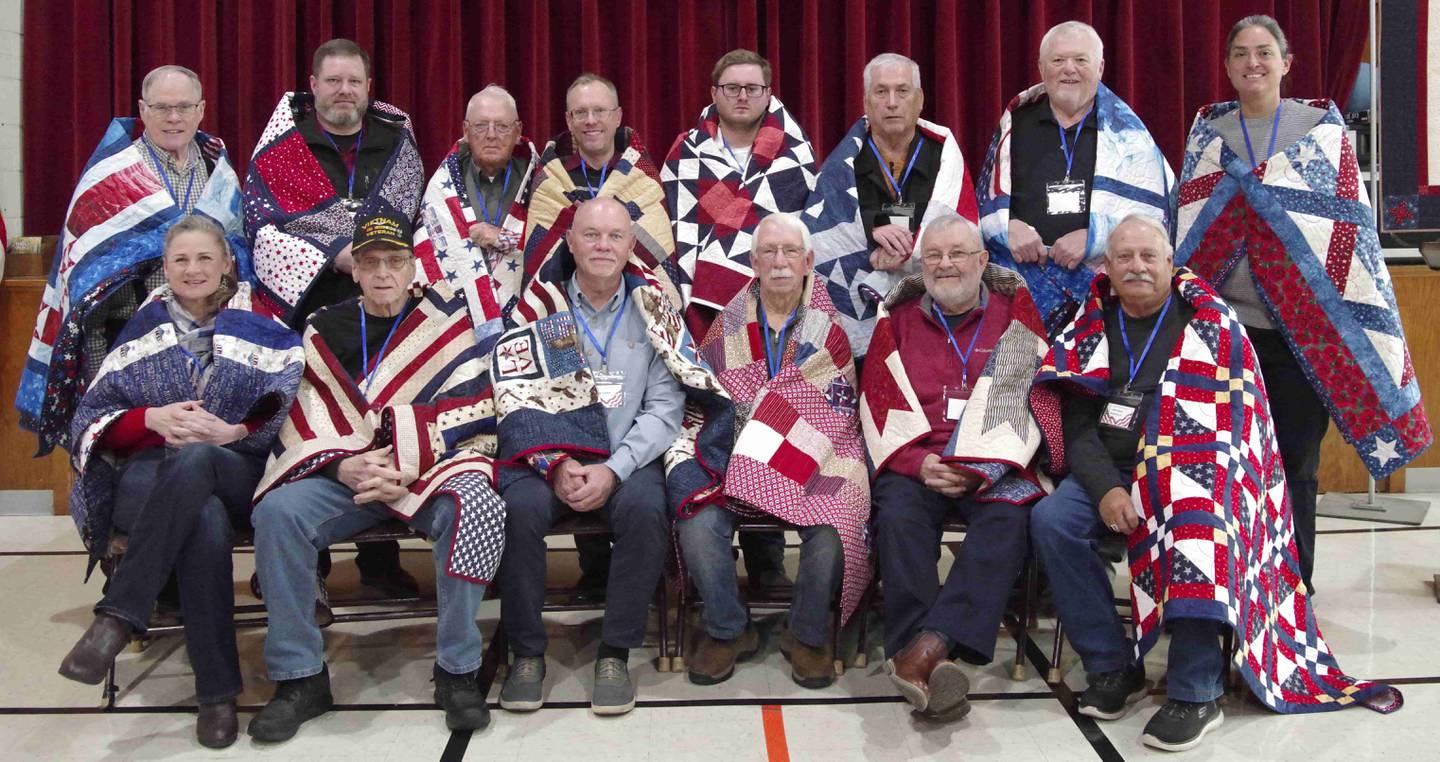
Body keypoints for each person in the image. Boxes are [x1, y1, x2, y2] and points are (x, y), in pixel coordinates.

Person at [1029, 215, 1402, 753]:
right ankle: (1112, 666)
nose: (1136, 266)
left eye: (1147, 257)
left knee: (1198, 527)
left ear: (1170, 264)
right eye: (1124, 258)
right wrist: (1109, 489)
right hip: (1111, 473)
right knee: (1051, 520)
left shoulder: (1210, 322)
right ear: (1105, 268)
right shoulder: (1089, 324)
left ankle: (1195, 690)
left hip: (1194, 473)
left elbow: (1237, 432)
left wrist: (1175, 485)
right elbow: (1079, 425)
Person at [1174, 14, 1431, 591]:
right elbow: (1186, 233)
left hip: (1303, 338)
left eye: (1264, 53)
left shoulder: (1321, 131)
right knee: (1222, 464)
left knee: (1297, 464)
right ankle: (1229, 585)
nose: (1252, 63)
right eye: (1240, 54)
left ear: (1286, 63)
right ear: (1227, 67)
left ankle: (1294, 587)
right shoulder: (1207, 136)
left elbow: (1348, 238)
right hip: (1225, 339)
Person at [246, 210, 506, 741]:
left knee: (474, 506)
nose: (383, 272)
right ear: (355, 272)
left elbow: (475, 409)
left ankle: (457, 671)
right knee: (278, 513)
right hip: (348, 472)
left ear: (413, 267)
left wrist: (405, 462)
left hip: (431, 468)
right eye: (370, 263)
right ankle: (301, 678)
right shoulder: (323, 326)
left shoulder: (447, 320)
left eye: (394, 260)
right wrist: (343, 464)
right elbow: (306, 415)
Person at [57, 215, 302, 749]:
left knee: (201, 465)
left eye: (204, 258)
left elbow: (290, 404)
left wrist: (236, 428)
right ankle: (216, 694)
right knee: (203, 515)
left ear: (227, 264)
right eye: (181, 260)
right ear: (165, 268)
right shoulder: (143, 328)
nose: (193, 270)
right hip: (154, 474)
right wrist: (150, 419)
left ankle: (118, 617)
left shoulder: (259, 320)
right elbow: (92, 423)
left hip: (240, 468)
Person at [491, 197, 730, 716]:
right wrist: (555, 465)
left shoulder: (654, 312)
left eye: (614, 237)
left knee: (647, 508)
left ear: (629, 246)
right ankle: (527, 653)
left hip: (625, 458)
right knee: (519, 510)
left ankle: (615, 653)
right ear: (571, 242)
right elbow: (518, 398)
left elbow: (666, 410)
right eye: (591, 236)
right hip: (548, 460)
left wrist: (615, 467)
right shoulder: (542, 309)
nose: (602, 246)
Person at [244, 37, 425, 595]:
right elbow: (262, 230)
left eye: (355, 82)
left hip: (383, 308)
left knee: (384, 416)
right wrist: (332, 254)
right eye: (334, 81)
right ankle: (306, 568)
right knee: (308, 426)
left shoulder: (397, 142)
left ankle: (379, 560)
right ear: (313, 86)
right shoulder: (282, 147)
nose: (344, 91)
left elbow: (416, 220)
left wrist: (373, 260)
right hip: (305, 309)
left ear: (369, 89)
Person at [860, 214, 1049, 719]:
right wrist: (917, 462)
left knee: (1011, 518)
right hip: (920, 457)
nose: (945, 265)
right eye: (935, 256)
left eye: (958, 253)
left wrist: (983, 466)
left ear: (983, 261)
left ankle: (923, 649)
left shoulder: (1016, 315)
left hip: (995, 462)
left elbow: (1033, 401)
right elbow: (877, 399)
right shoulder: (896, 318)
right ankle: (930, 655)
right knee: (898, 516)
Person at [17, 65, 250, 455]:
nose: (173, 118)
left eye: (183, 107)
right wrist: (100, 376)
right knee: (134, 460)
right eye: (161, 108)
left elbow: (240, 259)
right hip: (126, 338)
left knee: (202, 452)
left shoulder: (219, 173)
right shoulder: (112, 174)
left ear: (201, 109)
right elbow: (87, 282)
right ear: (142, 110)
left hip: (211, 340)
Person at [687, 213, 866, 689]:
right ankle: (729, 629)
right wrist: (750, 446)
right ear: (754, 261)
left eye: (790, 252)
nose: (780, 262)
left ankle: (805, 635)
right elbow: (705, 397)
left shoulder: (829, 330)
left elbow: (838, 413)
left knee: (835, 523)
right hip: (734, 455)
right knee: (697, 520)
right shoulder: (726, 324)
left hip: (814, 458)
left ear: (808, 261)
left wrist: (784, 437)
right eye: (769, 252)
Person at [522, 73, 682, 601]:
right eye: (579, 113)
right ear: (567, 123)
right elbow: (539, 257)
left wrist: (605, 239)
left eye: (600, 111)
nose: (590, 121)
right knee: (574, 421)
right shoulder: (549, 179)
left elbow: (656, 246)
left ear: (618, 117)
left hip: (628, 315)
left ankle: (636, 577)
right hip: (569, 316)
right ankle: (593, 570)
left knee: (629, 443)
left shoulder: (643, 177)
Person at [662, 48, 817, 592]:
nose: (743, 96)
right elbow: (676, 237)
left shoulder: (796, 151)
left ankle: (768, 557)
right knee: (714, 429)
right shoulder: (685, 151)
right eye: (732, 87)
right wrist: (687, 304)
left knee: (768, 421)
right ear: (714, 92)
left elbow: (798, 237)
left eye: (753, 87)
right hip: (704, 316)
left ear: (769, 93)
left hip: (773, 312)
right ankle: (709, 559)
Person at [977, 20, 1174, 332]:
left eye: (1081, 60)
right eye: (1058, 60)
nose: (1069, 69)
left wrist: (1095, 237)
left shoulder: (1128, 135)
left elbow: (1154, 216)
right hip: (1021, 293)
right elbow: (986, 202)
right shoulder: (1016, 123)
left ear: (1100, 67)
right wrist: (1008, 226)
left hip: (1104, 295)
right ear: (1042, 67)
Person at [804, 53, 977, 367]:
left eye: (902, 91)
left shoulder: (944, 156)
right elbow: (825, 234)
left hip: (934, 301)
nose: (892, 102)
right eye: (881, 92)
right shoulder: (844, 163)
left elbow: (961, 228)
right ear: (867, 103)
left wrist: (908, 254)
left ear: (920, 99)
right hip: (859, 313)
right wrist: (870, 239)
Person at [415, 85, 540, 320]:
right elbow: (429, 253)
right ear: (466, 130)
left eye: (502, 126)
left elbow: (553, 245)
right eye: (481, 126)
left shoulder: (537, 180)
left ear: (518, 131)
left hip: (525, 313)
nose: (491, 135)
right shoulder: (443, 185)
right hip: (455, 319)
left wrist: (505, 240)